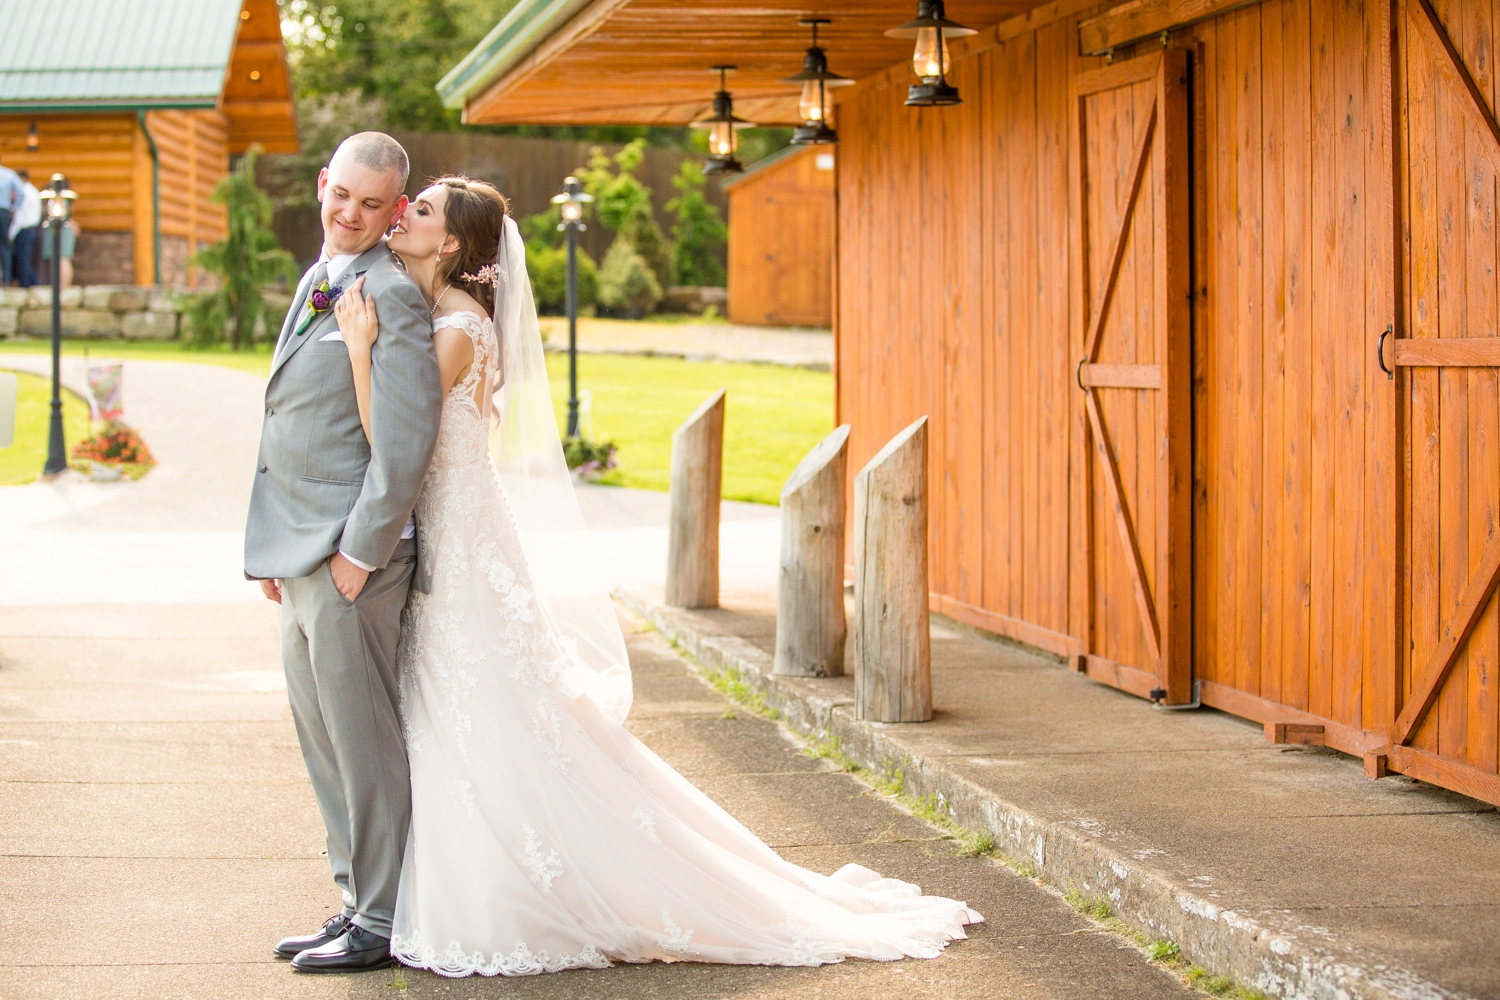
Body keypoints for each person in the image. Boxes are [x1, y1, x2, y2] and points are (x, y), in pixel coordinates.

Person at [328, 175, 982, 978]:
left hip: (463, 542)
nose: (404, 215)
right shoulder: (446, 316)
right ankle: (452, 880)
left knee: (480, 705)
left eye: (420, 210)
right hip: (460, 532)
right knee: (467, 704)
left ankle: (510, 891)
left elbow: (398, 440)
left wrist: (360, 351)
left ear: (454, 244)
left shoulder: (459, 328)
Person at [243, 132, 443, 974]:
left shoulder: (390, 295)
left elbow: (402, 443)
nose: (351, 215)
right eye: (342, 195)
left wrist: (358, 554)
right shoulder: (322, 277)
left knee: (361, 739)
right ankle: (353, 900)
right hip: (299, 551)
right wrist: (275, 552)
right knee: (321, 735)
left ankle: (385, 916)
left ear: (396, 211)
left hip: (351, 560)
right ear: (324, 184)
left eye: (373, 205)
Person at [10, 169, 40, 288]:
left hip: (24, 229)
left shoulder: (24, 193)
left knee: (22, 258)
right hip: (32, 228)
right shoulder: (33, 191)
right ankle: (33, 283)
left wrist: (11, 234)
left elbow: (20, 216)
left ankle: (26, 284)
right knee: (25, 258)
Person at [0, 154, 21, 285]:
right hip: (4, 211)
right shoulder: (9, 174)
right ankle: (6, 279)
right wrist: (14, 207)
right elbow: (21, 192)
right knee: (4, 246)